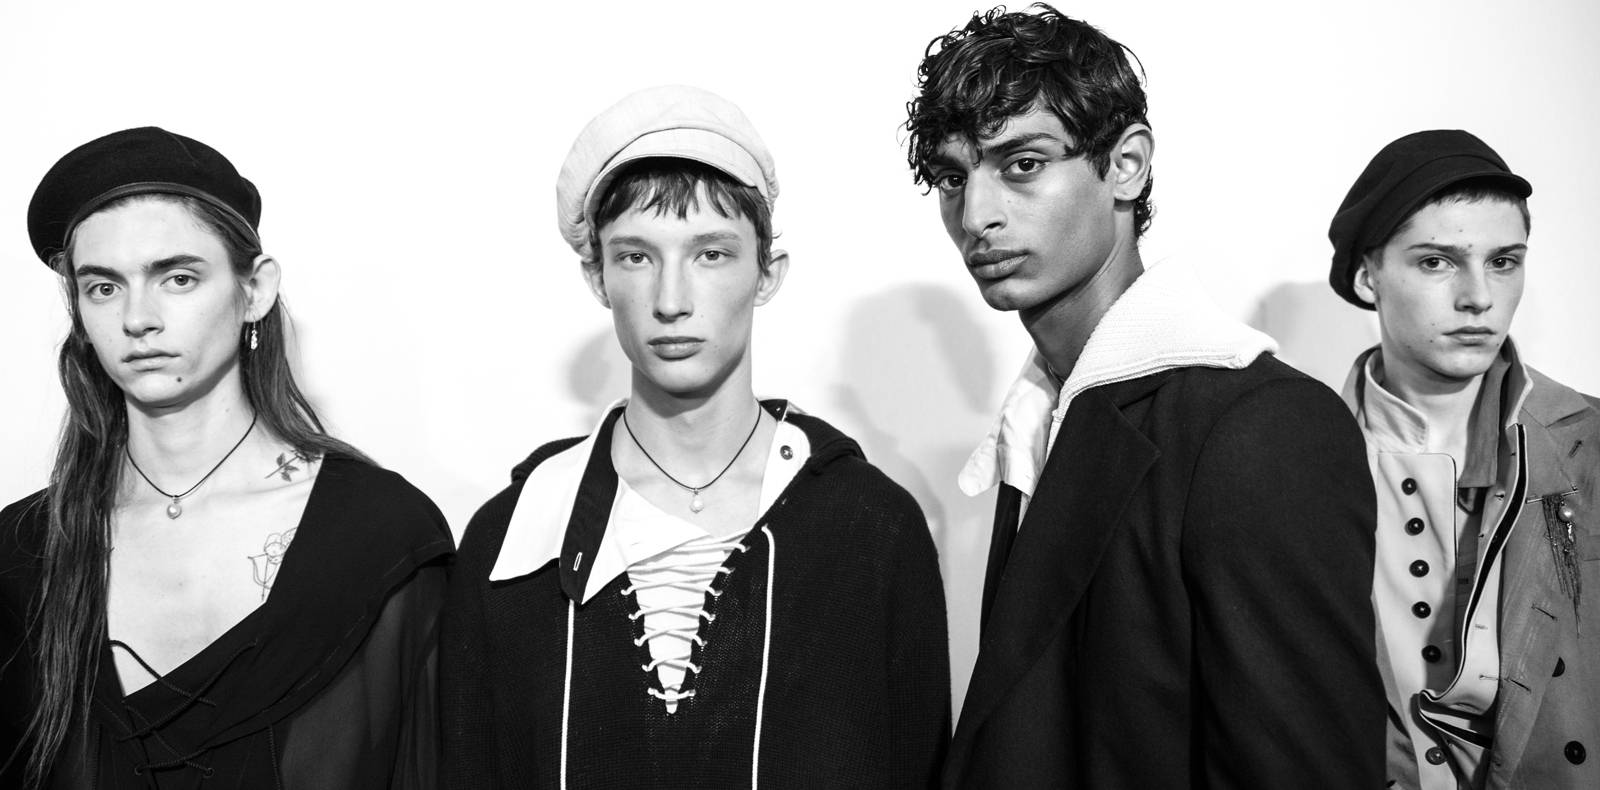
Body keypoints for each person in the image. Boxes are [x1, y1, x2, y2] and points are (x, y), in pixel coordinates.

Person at [903, 6, 1385, 787]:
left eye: (1021, 163)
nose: (977, 216)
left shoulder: (1260, 427)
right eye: (955, 177)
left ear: (1126, 165)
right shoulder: (1044, 412)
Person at [440, 85, 949, 789]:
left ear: (767, 274)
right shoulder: (512, 541)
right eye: (636, 256)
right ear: (597, 276)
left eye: (710, 254)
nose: (671, 301)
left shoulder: (871, 529)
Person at [0, 127, 453, 788]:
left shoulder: (378, 538)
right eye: (103, 288)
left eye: (178, 278)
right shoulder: (24, 554)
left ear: (256, 290)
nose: (138, 318)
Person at [1328, 129, 1600, 788]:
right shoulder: (1297, 460)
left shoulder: (1589, 445)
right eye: (1436, 262)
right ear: (1367, 276)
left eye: (1504, 261)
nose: (1478, 296)